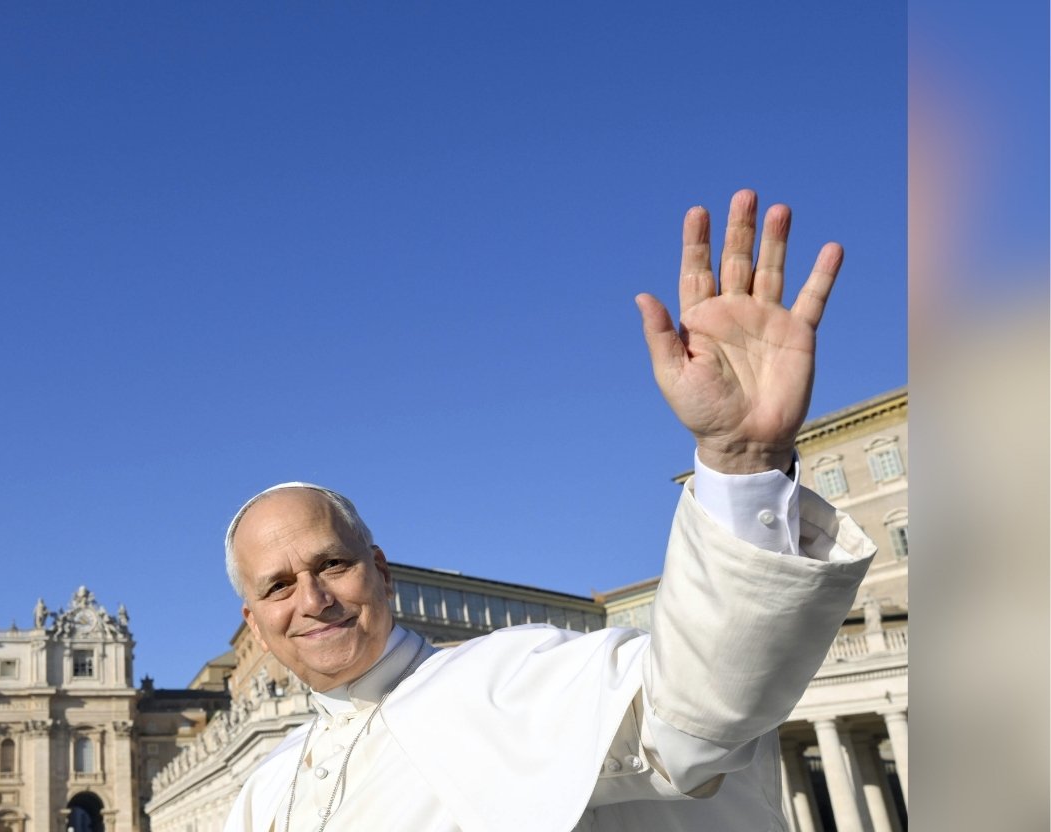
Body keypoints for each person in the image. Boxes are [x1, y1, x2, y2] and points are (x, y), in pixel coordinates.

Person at [222, 191, 874, 831]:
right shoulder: (265, 791)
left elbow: (691, 718)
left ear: (382, 573)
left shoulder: (513, 681)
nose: (312, 598)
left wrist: (742, 459)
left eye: (331, 564)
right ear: (255, 625)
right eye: (278, 585)